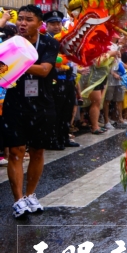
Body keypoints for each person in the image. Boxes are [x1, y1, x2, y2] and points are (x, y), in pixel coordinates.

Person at [0, 5, 59, 218]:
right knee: (15, 152)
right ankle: (18, 200)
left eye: (29, 19)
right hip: (15, 103)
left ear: (39, 23)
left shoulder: (49, 43)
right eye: (21, 19)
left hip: (42, 104)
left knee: (37, 151)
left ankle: (30, 194)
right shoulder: (9, 44)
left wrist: (17, 62)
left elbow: (44, 70)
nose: (23, 23)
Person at [43, 10, 79, 149]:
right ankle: (52, 139)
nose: (56, 26)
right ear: (46, 25)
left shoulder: (66, 39)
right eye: (53, 24)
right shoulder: (45, 41)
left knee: (67, 110)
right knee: (55, 111)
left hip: (68, 79)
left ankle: (64, 137)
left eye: (58, 23)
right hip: (54, 80)